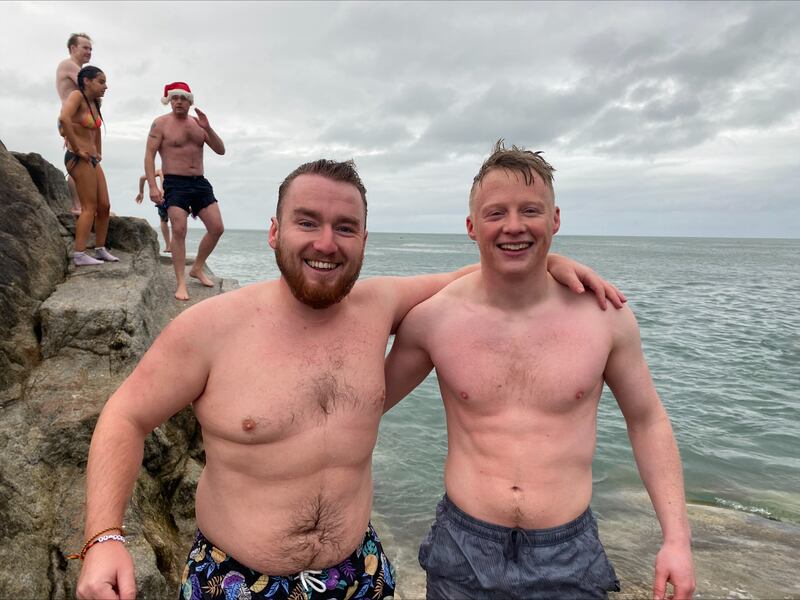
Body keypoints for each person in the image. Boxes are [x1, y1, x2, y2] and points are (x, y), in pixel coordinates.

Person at [75, 158, 625, 600]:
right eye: (307, 222)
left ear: (364, 238)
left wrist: (550, 261)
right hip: (236, 580)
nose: (326, 243)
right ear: (273, 231)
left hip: (359, 575)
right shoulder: (210, 328)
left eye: (346, 227)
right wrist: (103, 538)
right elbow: (126, 416)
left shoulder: (379, 304)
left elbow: (483, 272)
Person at [384, 141, 696, 600]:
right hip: (464, 547)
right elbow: (364, 407)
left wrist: (677, 540)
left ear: (555, 219)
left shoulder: (604, 315)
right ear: (472, 226)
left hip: (568, 549)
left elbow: (647, 421)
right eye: (496, 213)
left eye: (530, 210)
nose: (514, 226)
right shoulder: (434, 319)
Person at [145, 82, 224, 300]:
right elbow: (149, 155)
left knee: (217, 227)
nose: (179, 101)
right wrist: (152, 186)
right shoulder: (160, 124)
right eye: (175, 98)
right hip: (174, 182)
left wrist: (208, 128)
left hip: (199, 182)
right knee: (179, 230)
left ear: (190, 101)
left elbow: (221, 150)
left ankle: (197, 268)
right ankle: (181, 283)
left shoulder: (198, 124)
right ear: (169, 101)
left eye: (183, 98)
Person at [59, 66, 119, 266]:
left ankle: (100, 249)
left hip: (92, 159)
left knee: (104, 206)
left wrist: (99, 152)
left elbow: (97, 129)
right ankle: (79, 254)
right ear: (87, 81)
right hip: (78, 158)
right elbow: (64, 119)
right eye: (101, 82)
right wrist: (76, 148)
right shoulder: (77, 96)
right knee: (89, 207)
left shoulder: (96, 103)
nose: (106, 86)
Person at [56, 32, 93, 217]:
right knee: (77, 162)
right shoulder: (68, 65)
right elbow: (89, 86)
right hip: (71, 120)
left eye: (90, 49)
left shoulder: (74, 66)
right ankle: (77, 206)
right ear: (73, 48)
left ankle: (82, 205)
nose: (89, 52)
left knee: (84, 162)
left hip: (80, 122)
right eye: (85, 47)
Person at [135, 168, 171, 252]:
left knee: (164, 221)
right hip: (168, 199)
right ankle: (170, 245)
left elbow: (142, 178)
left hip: (163, 199)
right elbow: (142, 178)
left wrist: (141, 192)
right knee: (171, 220)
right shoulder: (164, 171)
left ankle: (169, 246)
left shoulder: (162, 170)